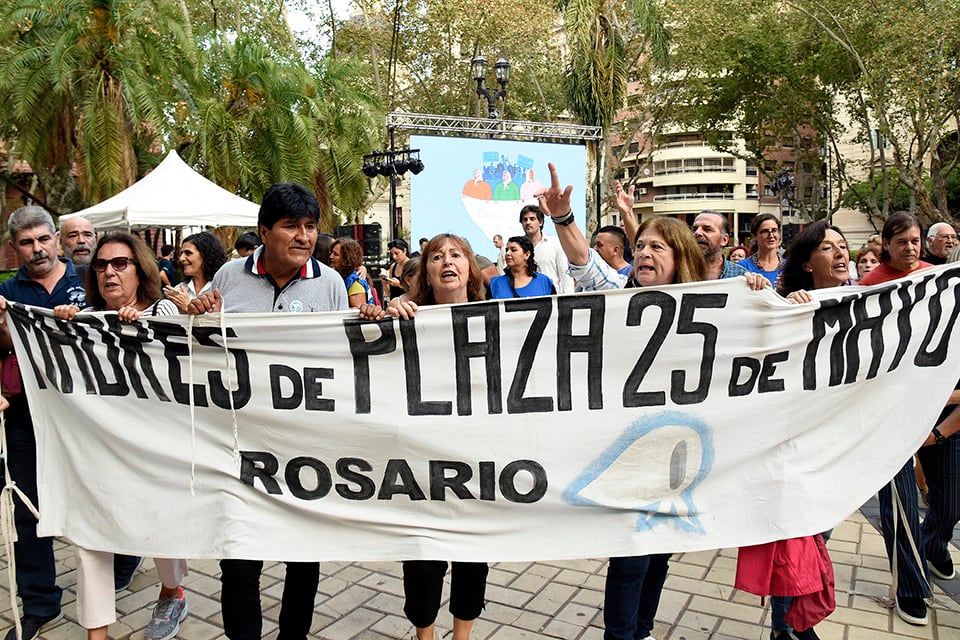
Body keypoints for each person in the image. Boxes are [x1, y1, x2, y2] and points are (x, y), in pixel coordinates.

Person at [186, 182, 347, 640]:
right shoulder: (229, 277)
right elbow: (203, 346)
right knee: (239, 560)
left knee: (303, 560)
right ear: (263, 232)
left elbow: (344, 357)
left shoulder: (330, 284)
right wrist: (199, 314)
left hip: (306, 448)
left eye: (310, 226)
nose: (304, 236)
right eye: (291, 226)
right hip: (240, 446)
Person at [52, 232, 188, 640]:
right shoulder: (88, 317)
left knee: (161, 529)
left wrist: (143, 327)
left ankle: (171, 592)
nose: (109, 272)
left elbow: (184, 359)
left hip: (157, 447)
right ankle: (97, 633)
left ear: (140, 269)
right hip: (98, 447)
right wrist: (61, 326)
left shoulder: (162, 308)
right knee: (90, 536)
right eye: (101, 265)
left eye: (120, 263)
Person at [358, 234, 488, 640]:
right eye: (436, 257)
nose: (447, 262)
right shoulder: (406, 318)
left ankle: (462, 636)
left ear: (470, 269)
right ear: (426, 274)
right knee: (421, 564)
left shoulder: (498, 319)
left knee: (473, 560)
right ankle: (425, 635)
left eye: (456, 255)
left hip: (478, 463)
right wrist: (384, 316)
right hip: (420, 467)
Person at [746, 221, 852, 640]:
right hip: (795, 447)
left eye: (842, 246)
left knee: (817, 536)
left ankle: (791, 624)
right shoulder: (790, 306)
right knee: (794, 540)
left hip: (840, 448)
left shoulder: (869, 304)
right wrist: (784, 309)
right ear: (807, 263)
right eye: (827, 248)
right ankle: (788, 628)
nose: (840, 254)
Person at [0, 206, 86, 640]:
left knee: (101, 493)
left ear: (57, 238)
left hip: (90, 417)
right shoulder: (7, 291)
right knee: (29, 508)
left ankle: (121, 565)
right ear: (14, 248)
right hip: (26, 416)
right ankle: (38, 603)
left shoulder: (89, 279)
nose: (37, 249)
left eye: (43, 239)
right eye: (26, 243)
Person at [857, 211, 934, 625]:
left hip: (936, 404)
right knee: (901, 500)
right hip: (888, 410)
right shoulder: (871, 287)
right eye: (901, 241)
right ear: (886, 244)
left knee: (946, 501)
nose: (910, 248)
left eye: (915, 240)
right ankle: (911, 589)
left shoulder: (936, 279)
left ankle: (933, 549)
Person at [163, 232, 228, 312]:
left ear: (206, 255)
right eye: (181, 253)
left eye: (188, 253)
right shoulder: (179, 290)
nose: (181, 258)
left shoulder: (223, 288)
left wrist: (187, 307)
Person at [519, 204, 573, 294]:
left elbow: (565, 275)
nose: (528, 222)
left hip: (550, 296)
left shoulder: (555, 243)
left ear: (540, 222)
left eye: (532, 219)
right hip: (524, 297)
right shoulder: (516, 247)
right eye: (525, 219)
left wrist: (568, 299)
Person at [489, 235, 556, 298]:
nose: (507, 253)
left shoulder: (544, 282)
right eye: (507, 250)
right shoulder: (495, 284)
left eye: (513, 250)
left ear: (527, 254)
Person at [740, 214, 784, 285]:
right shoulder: (742, 267)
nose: (771, 235)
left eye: (774, 230)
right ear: (754, 236)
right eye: (765, 231)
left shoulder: (790, 266)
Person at [329, 237, 374, 307]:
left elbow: (358, 310)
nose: (331, 256)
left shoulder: (355, 282)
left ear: (346, 259)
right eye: (331, 252)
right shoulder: (343, 276)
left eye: (336, 254)